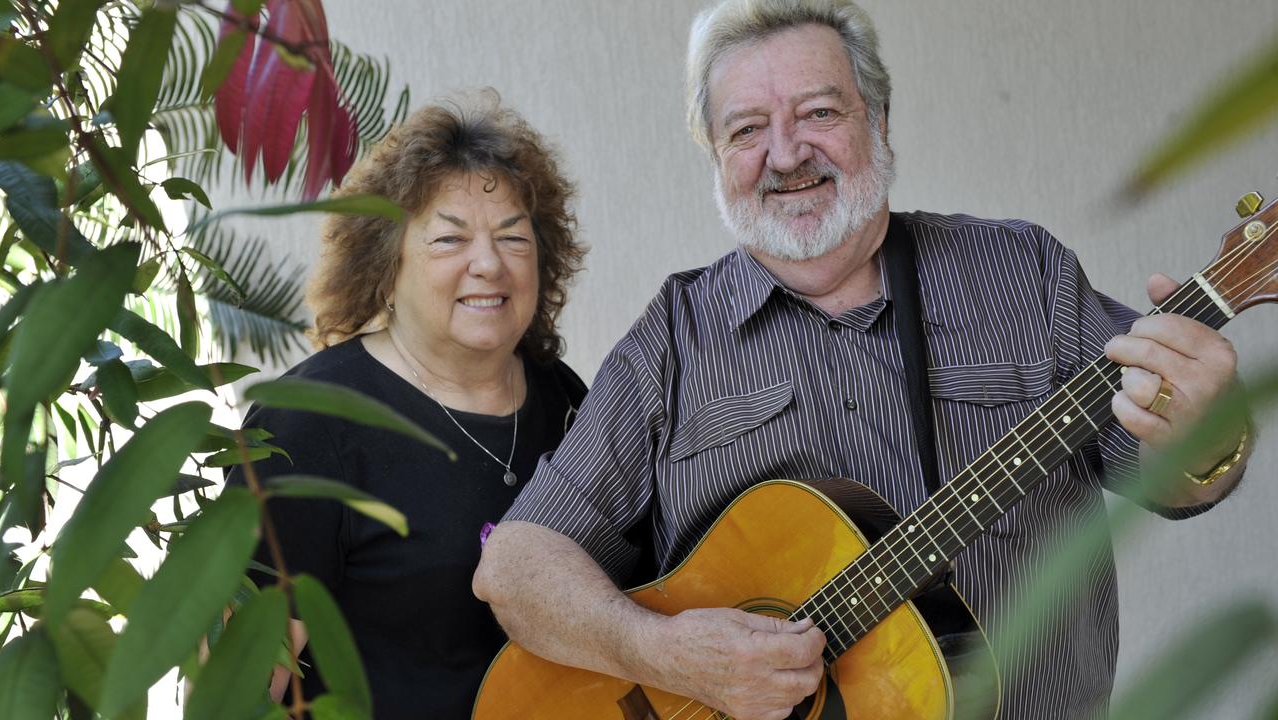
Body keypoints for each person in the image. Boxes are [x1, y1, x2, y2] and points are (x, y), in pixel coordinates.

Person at [471, 2, 1251, 719]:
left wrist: (1207, 430)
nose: (785, 153)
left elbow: (1172, 475)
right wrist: (667, 654)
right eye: (746, 129)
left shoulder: (1023, 273)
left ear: (876, 117)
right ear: (715, 154)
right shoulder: (672, 341)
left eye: (818, 112)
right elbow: (515, 567)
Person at [227, 93, 588, 719]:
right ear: (385, 269)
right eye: (450, 239)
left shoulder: (566, 397)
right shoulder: (307, 427)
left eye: (513, 237)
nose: (489, 264)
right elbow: (233, 691)